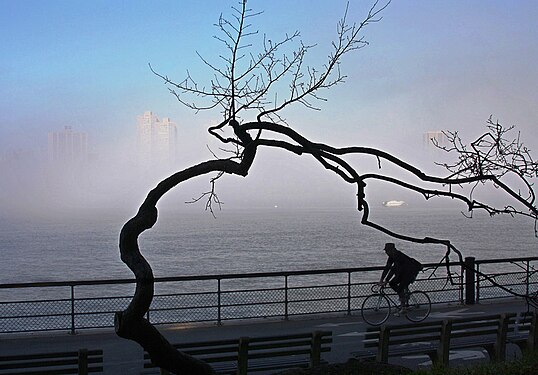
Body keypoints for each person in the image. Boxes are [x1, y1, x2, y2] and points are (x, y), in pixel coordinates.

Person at [378, 242, 423, 311]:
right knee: (392, 283)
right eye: (386, 251)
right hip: (403, 273)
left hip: (410, 273)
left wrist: (386, 280)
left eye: (387, 251)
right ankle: (403, 299)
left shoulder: (399, 256)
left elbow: (393, 270)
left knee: (400, 288)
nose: (386, 253)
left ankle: (404, 307)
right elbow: (387, 267)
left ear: (392, 250)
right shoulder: (392, 256)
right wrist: (381, 279)